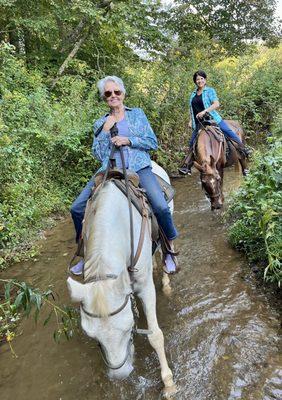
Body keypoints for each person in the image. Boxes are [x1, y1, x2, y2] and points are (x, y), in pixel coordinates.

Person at [70, 76, 179, 275]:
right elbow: (97, 153)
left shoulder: (137, 114)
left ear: (123, 94)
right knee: (77, 208)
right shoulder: (100, 122)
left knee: (161, 206)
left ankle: (169, 249)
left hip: (138, 167)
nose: (113, 96)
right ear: (104, 97)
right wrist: (105, 130)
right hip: (109, 170)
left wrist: (128, 140)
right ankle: (86, 253)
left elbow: (152, 142)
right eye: (108, 93)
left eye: (116, 92)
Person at [178, 70, 250, 175]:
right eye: (197, 79)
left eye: (202, 78)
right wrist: (191, 120)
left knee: (228, 132)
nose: (200, 81)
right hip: (199, 123)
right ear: (195, 81)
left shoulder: (210, 91)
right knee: (192, 143)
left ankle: (244, 150)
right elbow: (192, 109)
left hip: (212, 120)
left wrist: (205, 111)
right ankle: (187, 167)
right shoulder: (193, 94)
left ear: (205, 80)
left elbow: (216, 104)